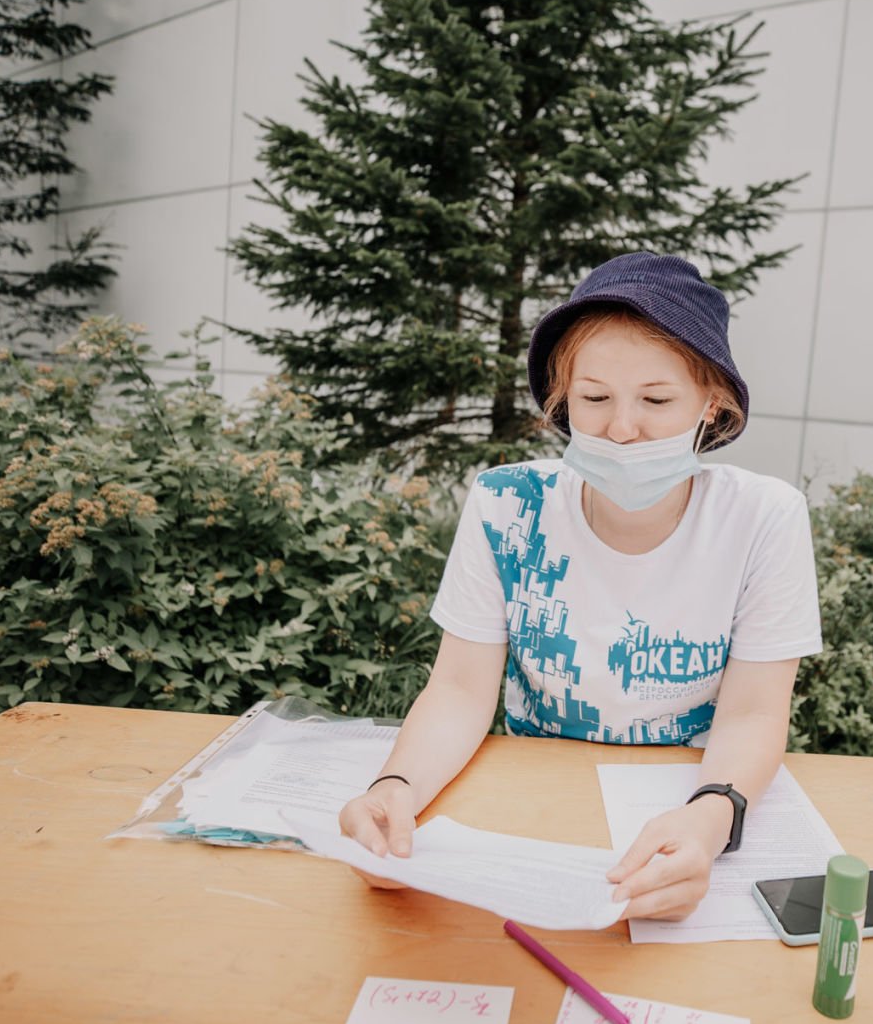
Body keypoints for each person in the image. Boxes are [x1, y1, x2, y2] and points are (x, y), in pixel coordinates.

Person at [336, 252, 823, 920]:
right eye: (594, 398)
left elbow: (753, 715)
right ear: (563, 398)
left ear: (711, 403)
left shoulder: (763, 518)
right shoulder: (507, 505)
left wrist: (710, 819)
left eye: (657, 400)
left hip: (688, 797)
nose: (622, 428)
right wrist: (395, 786)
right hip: (530, 802)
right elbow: (459, 691)